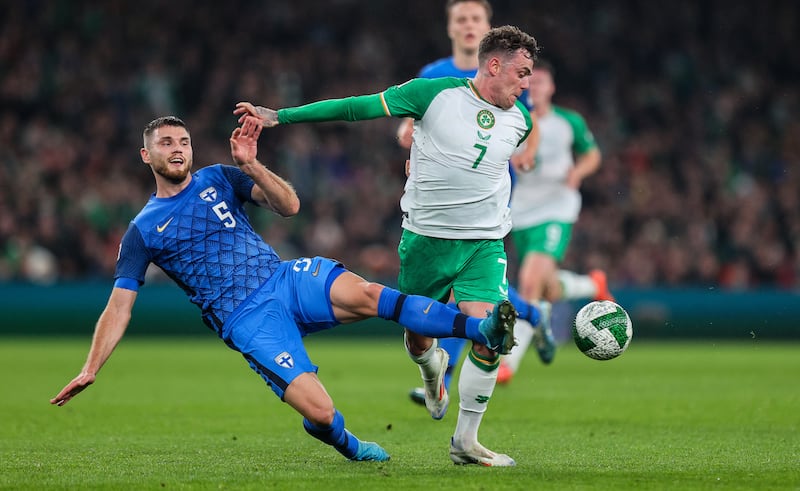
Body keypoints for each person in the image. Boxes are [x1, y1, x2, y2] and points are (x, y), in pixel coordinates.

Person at [49, 115, 519, 464]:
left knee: (374, 296)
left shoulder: (219, 177)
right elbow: (119, 306)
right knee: (321, 412)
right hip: (247, 320)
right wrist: (91, 367)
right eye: (166, 143)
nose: (177, 149)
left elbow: (290, 205)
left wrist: (252, 166)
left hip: (284, 279)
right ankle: (349, 444)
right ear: (146, 155)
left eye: (184, 141)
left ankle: (481, 329)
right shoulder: (142, 230)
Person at [235, 24, 539, 467]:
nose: (526, 83)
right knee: (418, 338)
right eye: (522, 73)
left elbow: (490, 171)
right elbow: (355, 108)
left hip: (485, 243)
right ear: (494, 65)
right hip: (427, 242)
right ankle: (430, 368)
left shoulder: (521, 121)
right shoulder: (431, 94)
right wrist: (281, 116)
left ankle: (465, 443)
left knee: (492, 334)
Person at [394, 0, 551, 408]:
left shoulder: (508, 75)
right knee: (467, 294)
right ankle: (533, 316)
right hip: (440, 195)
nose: (467, 25)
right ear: (450, 28)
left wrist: (528, 151)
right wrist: (410, 139)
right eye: (460, 19)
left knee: (464, 291)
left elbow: (529, 121)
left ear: (487, 26)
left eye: (475, 19)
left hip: (489, 198)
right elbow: (407, 123)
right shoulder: (434, 75)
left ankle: (442, 375)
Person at [497, 59, 614, 384]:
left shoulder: (568, 122)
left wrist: (578, 171)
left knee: (530, 283)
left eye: (540, 83)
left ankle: (509, 362)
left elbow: (592, 154)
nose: (534, 87)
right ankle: (592, 284)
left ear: (551, 88)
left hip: (556, 209)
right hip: (518, 212)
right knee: (547, 288)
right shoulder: (509, 117)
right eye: (529, 82)